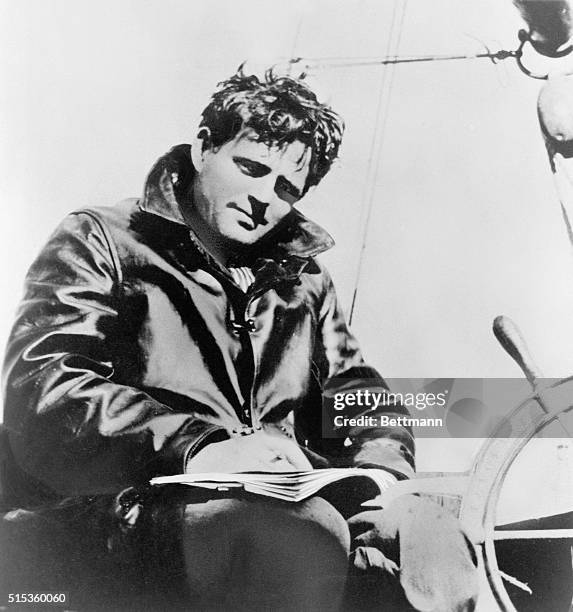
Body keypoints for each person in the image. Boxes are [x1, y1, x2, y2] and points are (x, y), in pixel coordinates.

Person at [1, 67, 478, 610]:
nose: (262, 198)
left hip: (287, 504)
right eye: (250, 167)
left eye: (285, 188)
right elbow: (45, 391)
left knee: (429, 534)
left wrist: (383, 474)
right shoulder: (100, 238)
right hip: (130, 505)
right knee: (293, 534)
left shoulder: (305, 283)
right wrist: (203, 448)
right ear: (205, 147)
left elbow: (362, 400)